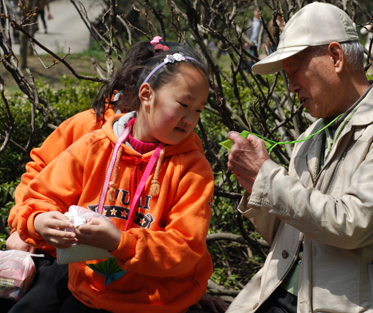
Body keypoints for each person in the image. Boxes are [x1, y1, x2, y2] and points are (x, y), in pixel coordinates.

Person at [226, 2, 373, 312]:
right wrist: (255, 185)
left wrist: (268, 179)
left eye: (294, 70)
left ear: (336, 57)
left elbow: (352, 225)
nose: (291, 86)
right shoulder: (312, 137)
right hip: (282, 297)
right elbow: (292, 237)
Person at [6, 42, 223, 313]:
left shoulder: (192, 167)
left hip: (157, 304)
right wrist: (35, 221)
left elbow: (186, 247)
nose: (190, 118)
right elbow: (40, 193)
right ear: (146, 93)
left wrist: (120, 244)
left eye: (199, 110)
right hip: (88, 293)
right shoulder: (94, 143)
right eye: (183, 105)